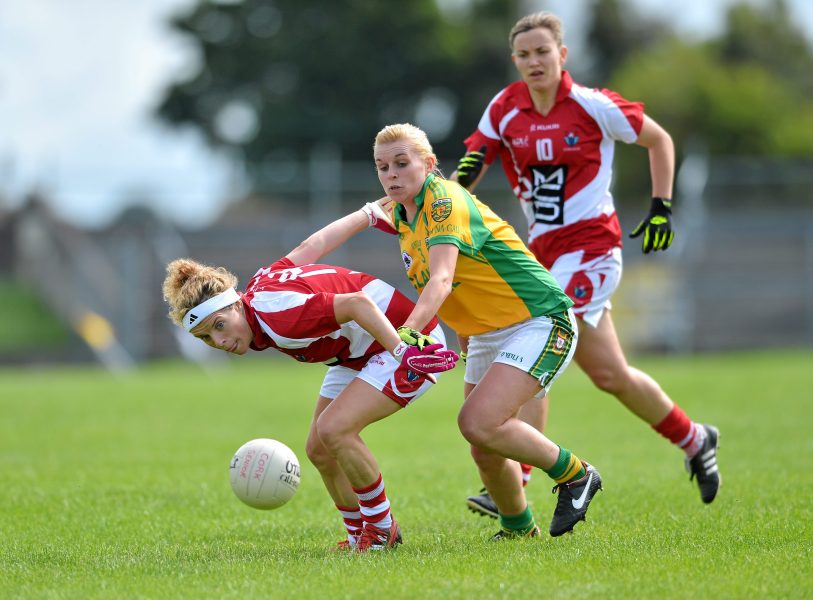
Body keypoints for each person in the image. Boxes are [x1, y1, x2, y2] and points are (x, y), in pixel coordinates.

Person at [453, 11, 720, 518]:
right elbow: (475, 158)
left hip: (593, 248)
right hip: (541, 254)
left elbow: (658, 139)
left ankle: (523, 478)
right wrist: (448, 207)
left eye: (543, 52)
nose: (534, 61)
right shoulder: (505, 107)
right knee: (610, 374)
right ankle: (695, 438)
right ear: (515, 61)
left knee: (538, 337)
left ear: (562, 55)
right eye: (525, 55)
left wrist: (661, 206)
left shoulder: (592, 106)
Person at [325, 122, 603, 539]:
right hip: (488, 333)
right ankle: (518, 529)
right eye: (383, 167)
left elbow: (440, 280)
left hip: (540, 319)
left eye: (402, 163)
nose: (391, 174)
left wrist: (402, 337)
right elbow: (454, 288)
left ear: (430, 164)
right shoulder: (403, 214)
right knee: (484, 446)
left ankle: (577, 476)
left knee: (478, 422)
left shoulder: (443, 201)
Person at [161, 209, 458, 552]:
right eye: (207, 338)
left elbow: (358, 304)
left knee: (334, 429)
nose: (220, 341)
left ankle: (381, 530)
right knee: (319, 448)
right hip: (360, 351)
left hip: (409, 343)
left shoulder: (279, 317)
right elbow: (313, 244)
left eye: (219, 325)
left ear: (235, 305)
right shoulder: (258, 292)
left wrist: (401, 351)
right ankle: (357, 535)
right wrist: (367, 214)